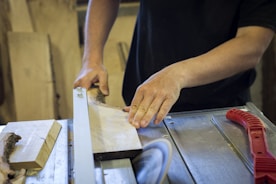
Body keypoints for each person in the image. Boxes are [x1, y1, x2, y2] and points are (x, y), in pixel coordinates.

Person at [74, 0, 276, 129]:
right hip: (144, 108)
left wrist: (177, 75)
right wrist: (91, 59)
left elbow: (252, 44)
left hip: (221, 111)